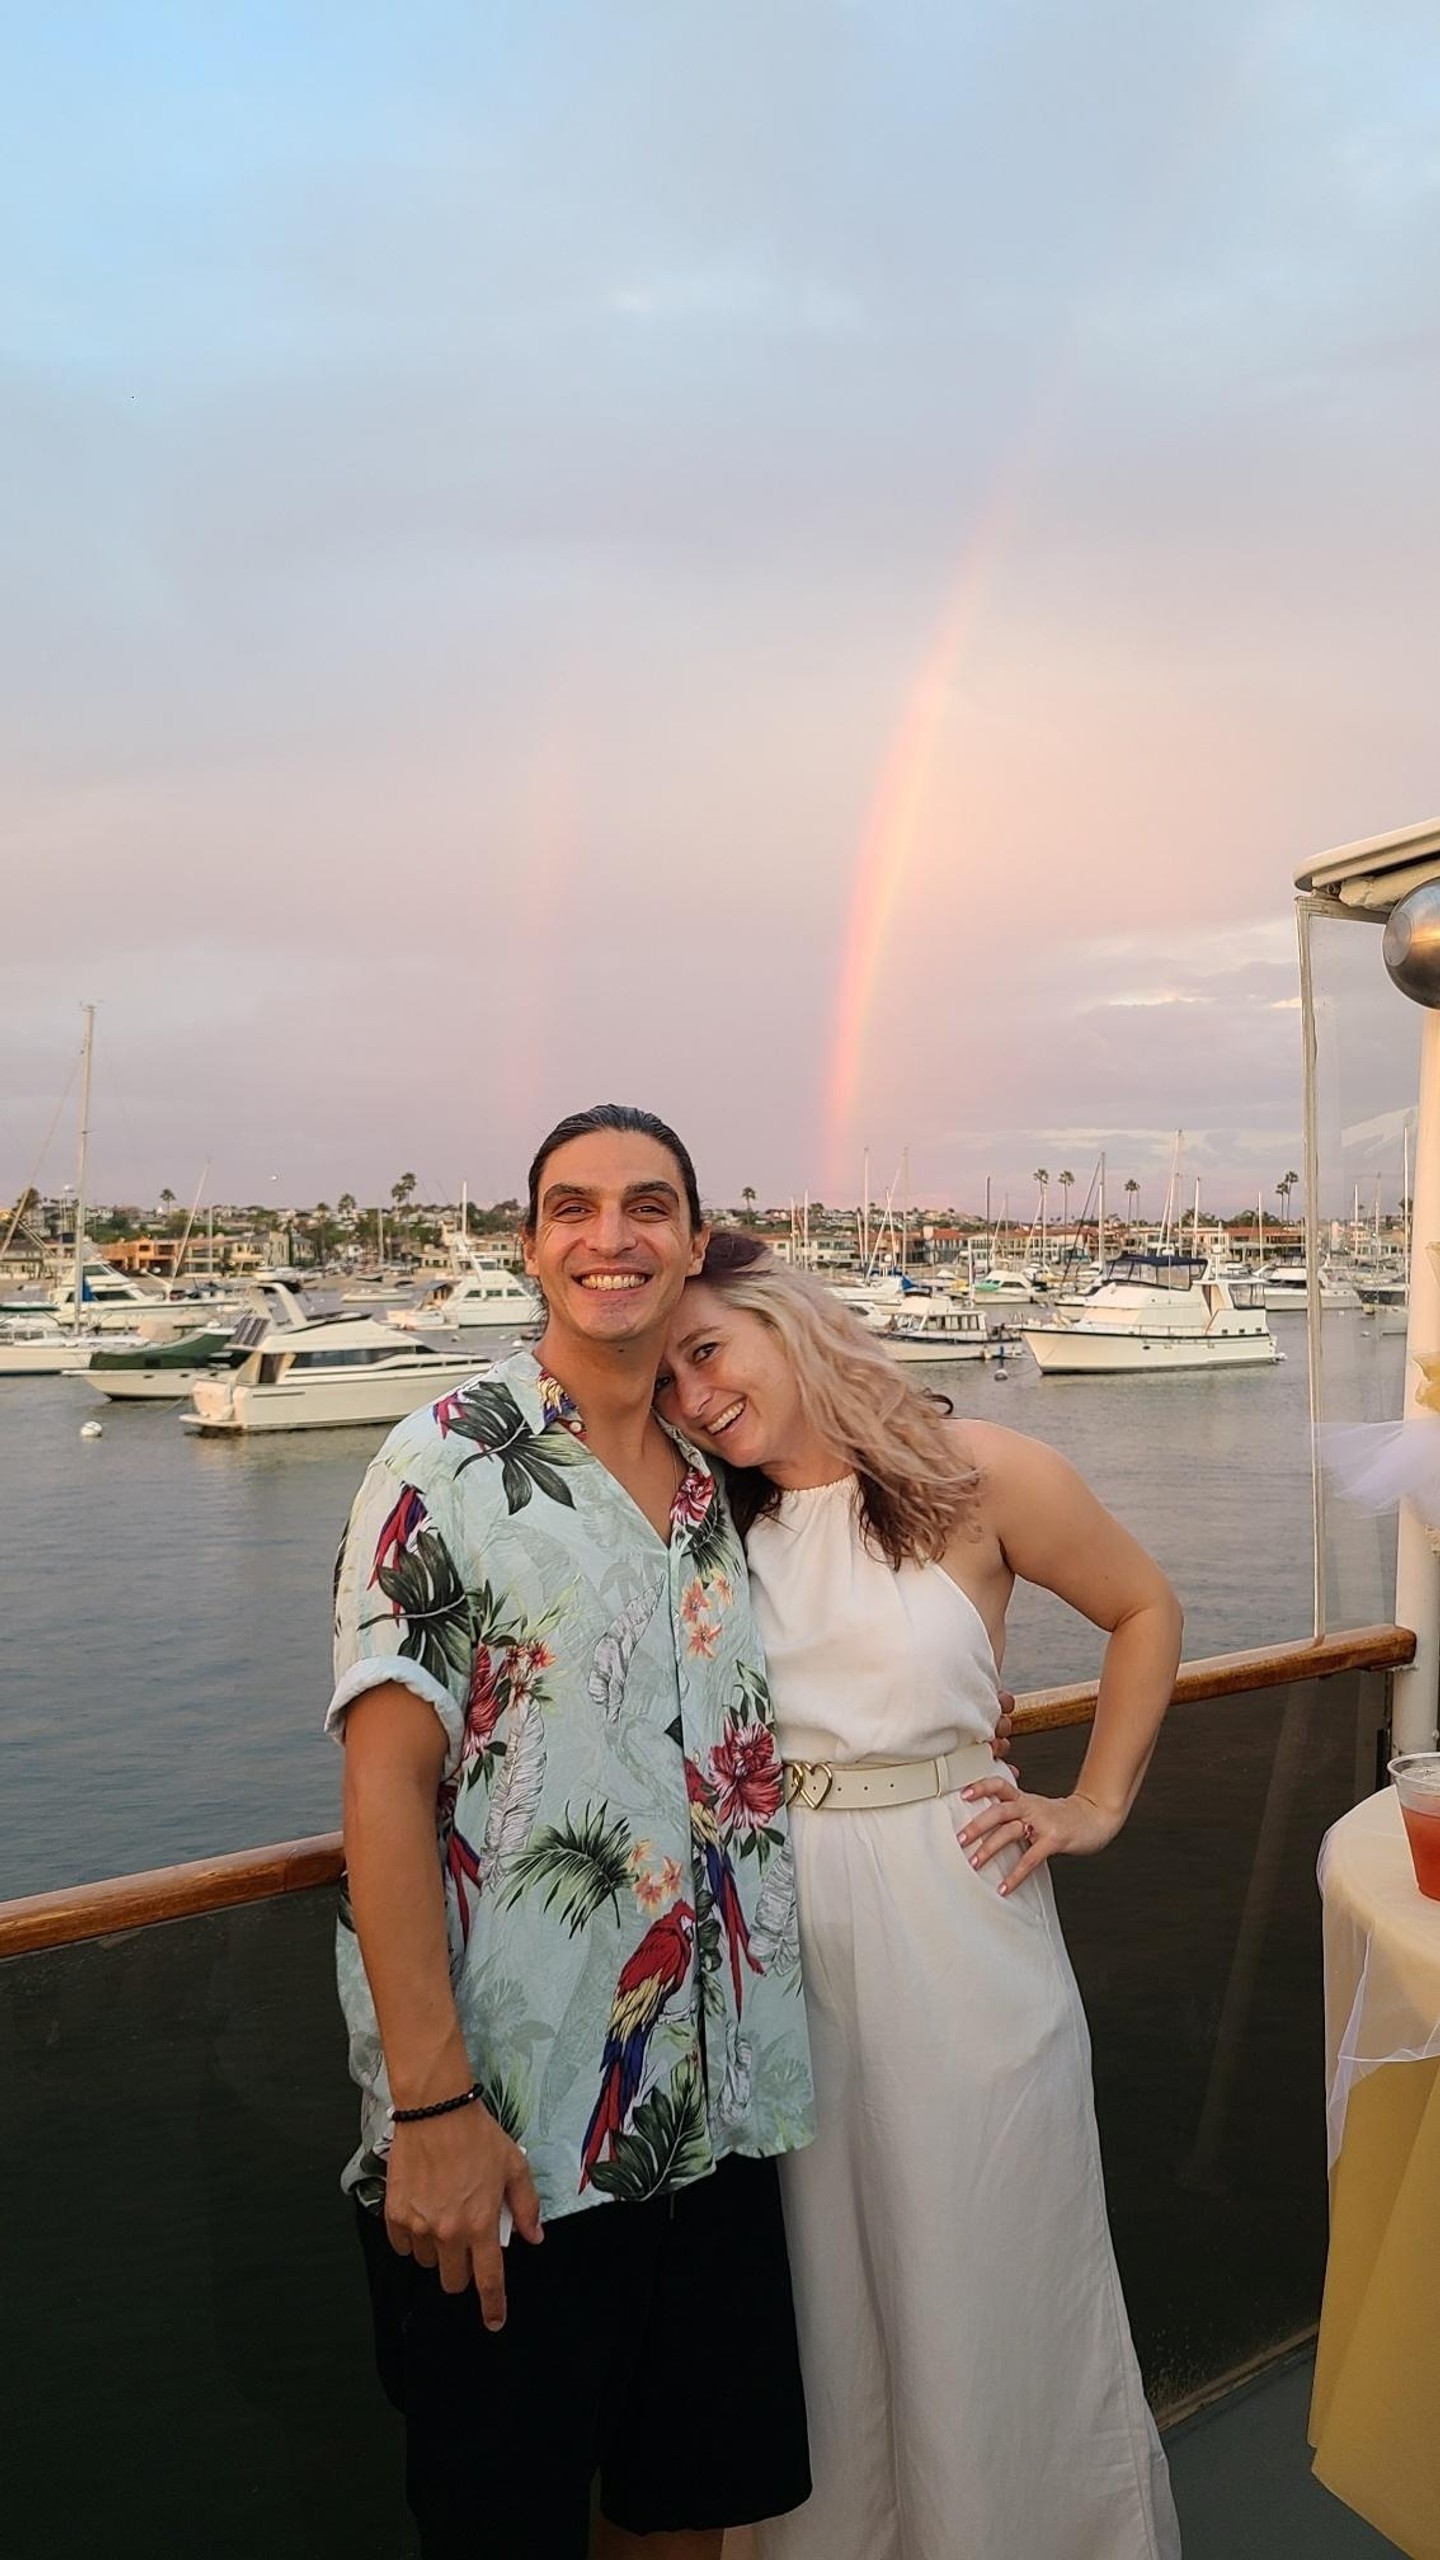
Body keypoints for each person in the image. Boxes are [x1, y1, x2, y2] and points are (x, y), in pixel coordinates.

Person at [327, 1112, 816, 2560]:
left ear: (692, 1241)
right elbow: (384, 1792)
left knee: (687, 2523)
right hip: (512, 2141)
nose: (613, 1236)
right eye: (575, 1208)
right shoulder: (443, 1462)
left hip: (714, 2121)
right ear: (531, 1245)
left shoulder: (718, 1476)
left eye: (648, 1206)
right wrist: (432, 2115)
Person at [657, 1233, 1185, 2560]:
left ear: (786, 1320)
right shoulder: (704, 1517)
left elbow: (1143, 1609)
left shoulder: (978, 1471)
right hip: (782, 1945)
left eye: (707, 1351)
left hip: (959, 1925)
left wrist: (1094, 1805)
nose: (695, 1398)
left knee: (986, 2271)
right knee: (829, 2306)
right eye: (665, 1381)